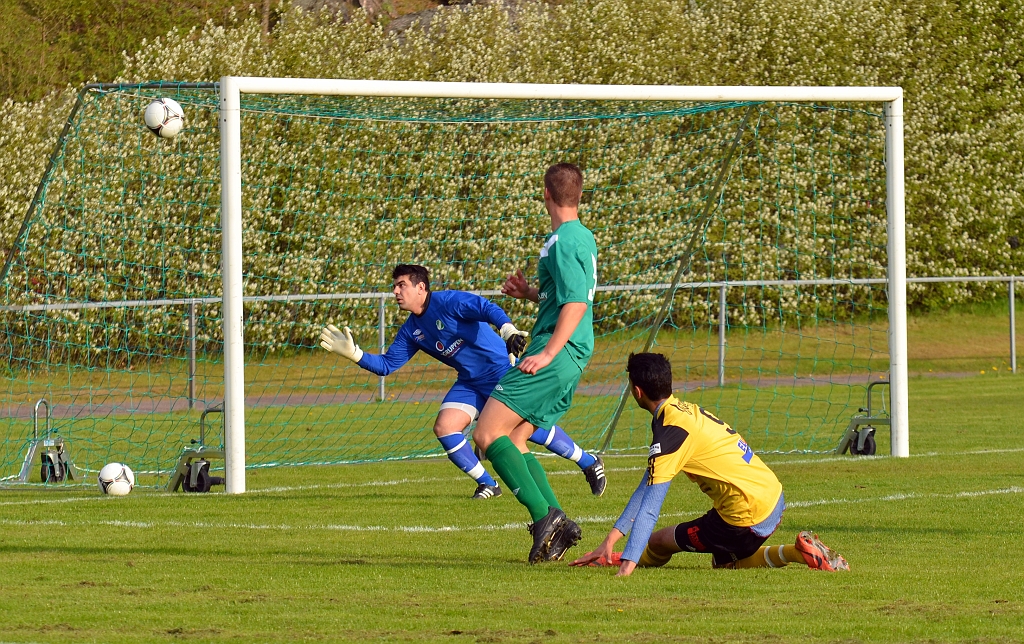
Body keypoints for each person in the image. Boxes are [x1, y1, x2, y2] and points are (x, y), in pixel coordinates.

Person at [319, 263, 607, 500]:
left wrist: (507, 330)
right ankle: (488, 484)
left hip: (499, 372)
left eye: (401, 285)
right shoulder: (411, 331)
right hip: (470, 382)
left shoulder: (449, 302)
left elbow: (485, 307)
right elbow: (386, 365)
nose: (395, 292)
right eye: (394, 286)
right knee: (445, 427)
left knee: (527, 432)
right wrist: (354, 354)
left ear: (421, 287)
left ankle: (588, 461)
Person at [571, 352, 850, 575]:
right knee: (722, 559)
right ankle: (800, 552)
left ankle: (796, 554)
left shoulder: (670, 433)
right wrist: (610, 540)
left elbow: (650, 509)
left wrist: (627, 566)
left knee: (660, 542)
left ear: (637, 391)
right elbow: (646, 486)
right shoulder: (684, 412)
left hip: (746, 518)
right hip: (773, 498)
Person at [473, 163, 599, 564]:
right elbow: (564, 298)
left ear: (546, 193)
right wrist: (530, 292)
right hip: (572, 355)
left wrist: (546, 353)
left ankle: (546, 518)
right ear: (578, 195)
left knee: (486, 433)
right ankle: (557, 522)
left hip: (556, 352)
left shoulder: (563, 240)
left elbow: (577, 303)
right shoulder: (582, 237)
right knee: (515, 438)